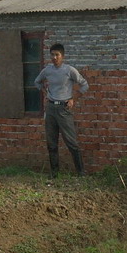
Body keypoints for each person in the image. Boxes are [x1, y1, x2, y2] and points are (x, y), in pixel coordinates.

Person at [34, 43, 89, 178]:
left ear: (62, 56)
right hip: (51, 107)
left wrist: (73, 99)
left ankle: (81, 173)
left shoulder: (69, 70)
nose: (54, 57)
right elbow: (37, 81)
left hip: (64, 109)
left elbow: (84, 85)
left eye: (57, 55)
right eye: (52, 55)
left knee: (71, 142)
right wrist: (45, 92)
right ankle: (54, 173)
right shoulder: (47, 70)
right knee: (51, 142)